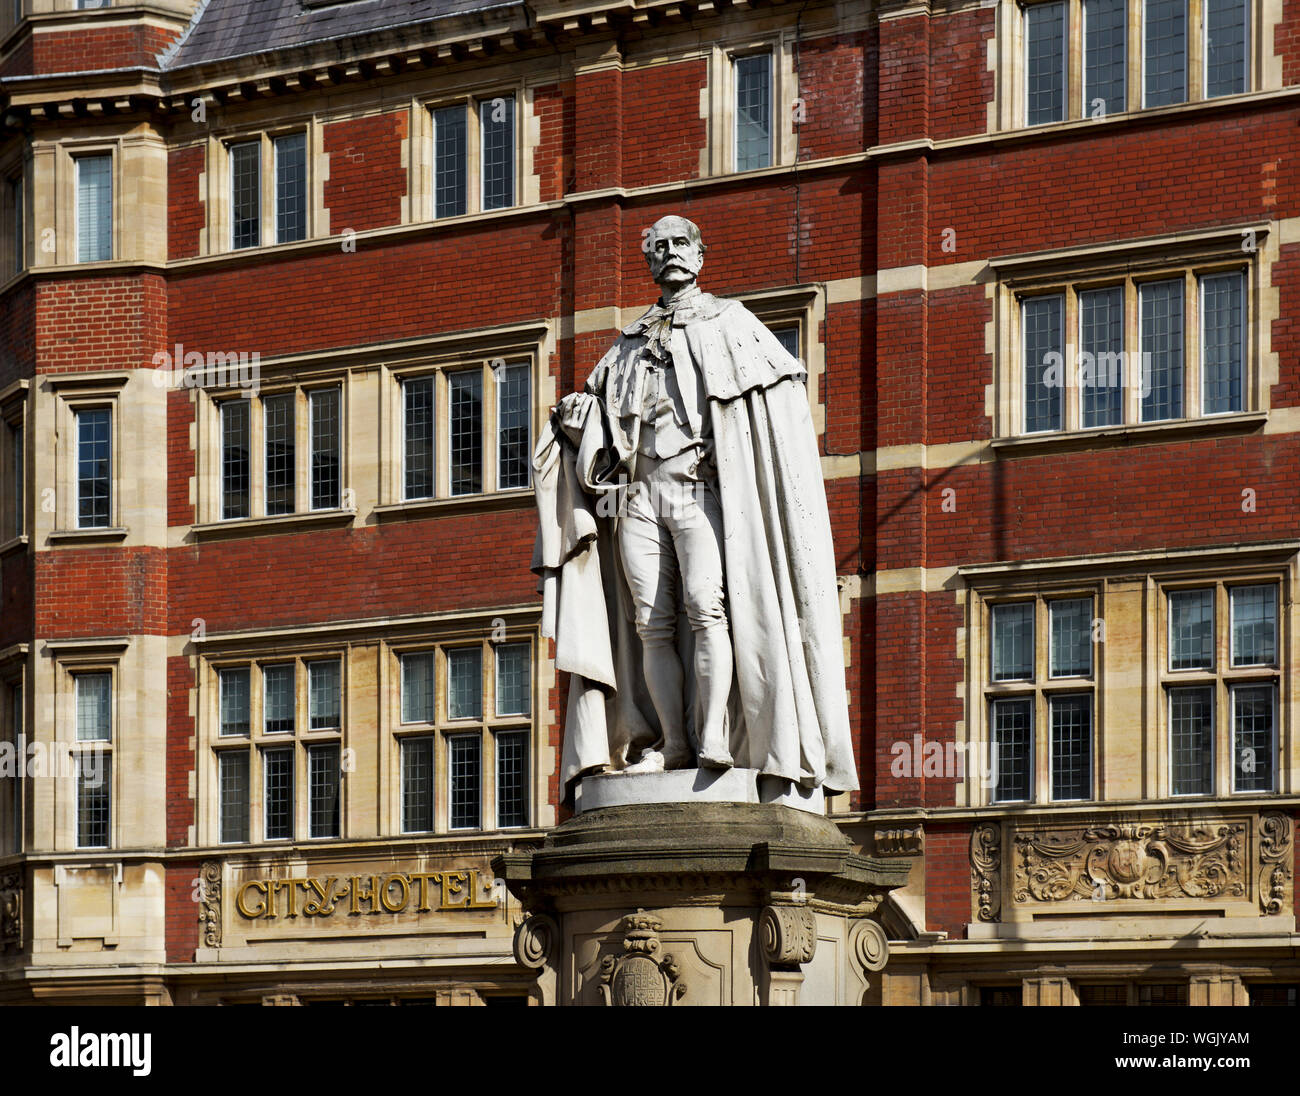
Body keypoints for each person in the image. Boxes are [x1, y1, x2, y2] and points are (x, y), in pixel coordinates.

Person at [532, 215, 859, 801]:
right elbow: (601, 439)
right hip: (637, 497)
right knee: (649, 626)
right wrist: (576, 424)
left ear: (700, 255)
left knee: (707, 607)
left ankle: (714, 737)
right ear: (649, 262)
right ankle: (673, 743)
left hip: (696, 490)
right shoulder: (626, 346)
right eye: (657, 247)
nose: (669, 254)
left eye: (680, 243)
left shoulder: (732, 325)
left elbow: (776, 405)